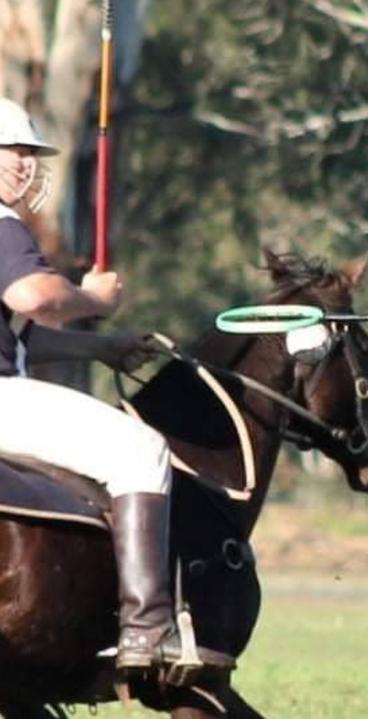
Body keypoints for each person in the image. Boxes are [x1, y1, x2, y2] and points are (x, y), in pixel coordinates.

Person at [0, 98, 231, 677]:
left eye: (30, 154)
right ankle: (146, 631)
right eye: (13, 153)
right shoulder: (3, 226)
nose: (25, 166)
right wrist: (92, 301)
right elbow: (34, 300)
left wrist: (102, 345)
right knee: (141, 450)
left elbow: (22, 339)